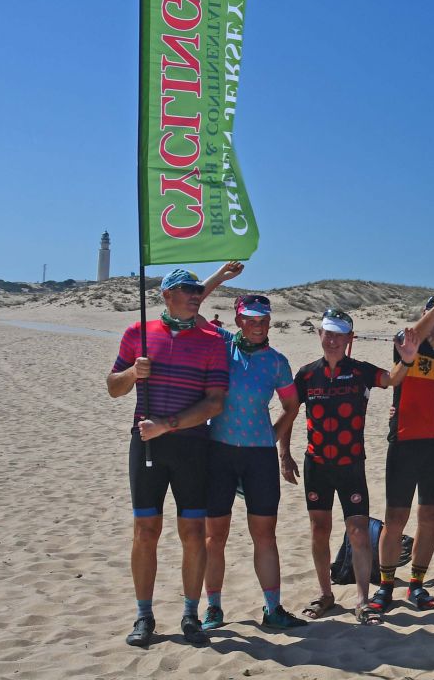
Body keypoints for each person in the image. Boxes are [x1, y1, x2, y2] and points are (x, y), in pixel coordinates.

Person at [106, 268, 230, 648]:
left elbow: (215, 401)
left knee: (193, 533)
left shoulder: (211, 340)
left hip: (192, 445)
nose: (195, 295)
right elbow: (113, 388)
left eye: (198, 290)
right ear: (166, 295)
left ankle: (191, 614)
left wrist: (169, 424)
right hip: (146, 445)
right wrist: (132, 372)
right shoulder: (137, 334)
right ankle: (144, 616)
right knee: (146, 532)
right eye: (187, 290)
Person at [279, 308, 415, 625]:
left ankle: (363, 600)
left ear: (349, 339)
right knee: (319, 530)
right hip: (317, 465)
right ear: (320, 335)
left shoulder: (360, 372)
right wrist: (284, 454)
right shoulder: (307, 374)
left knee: (357, 532)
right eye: (328, 333)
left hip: (351, 465)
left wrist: (406, 359)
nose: (333, 340)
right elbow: (289, 414)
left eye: (340, 334)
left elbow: (393, 378)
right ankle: (326, 594)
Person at [193, 261, 307, 631]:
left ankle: (272, 608)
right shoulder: (222, 345)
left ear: (270, 322)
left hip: (258, 457)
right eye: (251, 319)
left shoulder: (277, 362)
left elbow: (292, 405)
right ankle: (213, 608)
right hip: (219, 451)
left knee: (264, 533)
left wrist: (273, 436)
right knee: (215, 536)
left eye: (263, 319)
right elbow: (191, 308)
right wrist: (219, 279)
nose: (258, 325)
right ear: (239, 320)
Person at [370, 271, 434, 614]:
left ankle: (416, 585)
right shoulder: (407, 344)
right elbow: (414, 331)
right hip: (405, 441)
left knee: (429, 518)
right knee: (395, 518)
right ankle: (384, 586)